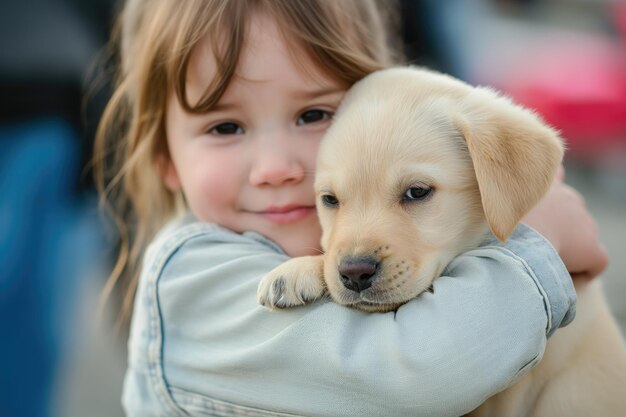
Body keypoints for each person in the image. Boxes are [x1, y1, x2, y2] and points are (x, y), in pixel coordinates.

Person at [93, 0, 608, 416]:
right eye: (225, 127)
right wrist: (541, 243)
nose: (276, 167)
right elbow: (415, 376)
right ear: (166, 160)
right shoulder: (190, 283)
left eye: (314, 114)